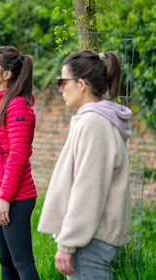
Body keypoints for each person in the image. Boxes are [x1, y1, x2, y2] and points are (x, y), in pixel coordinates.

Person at [38, 50, 132, 280]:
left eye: (62, 81)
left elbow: (88, 190)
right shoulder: (95, 120)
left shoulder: (94, 124)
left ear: (81, 84)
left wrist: (68, 243)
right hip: (91, 239)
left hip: (89, 243)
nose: (59, 88)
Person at [0, 46, 39, 280]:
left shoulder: (17, 106)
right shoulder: (2, 104)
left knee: (21, 262)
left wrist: (4, 198)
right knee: (6, 261)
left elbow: (18, 154)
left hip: (16, 196)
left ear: (7, 74)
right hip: (0, 194)